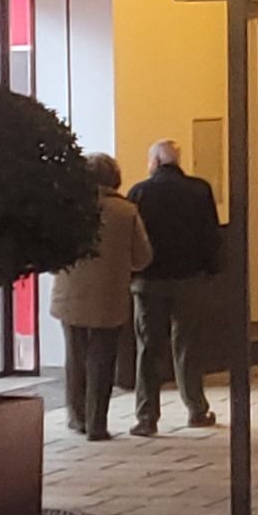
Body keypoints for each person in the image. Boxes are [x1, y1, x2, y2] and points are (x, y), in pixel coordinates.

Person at [52, 153, 152, 441]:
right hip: (110, 294)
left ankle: (77, 416)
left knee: (75, 356)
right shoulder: (126, 212)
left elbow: (53, 251)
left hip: (70, 294)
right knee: (102, 359)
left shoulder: (68, 209)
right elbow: (143, 257)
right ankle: (97, 423)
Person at [128, 139, 222, 436]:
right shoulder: (199, 190)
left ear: (155, 162)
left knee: (149, 348)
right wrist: (211, 271)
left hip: (149, 281)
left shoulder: (139, 192)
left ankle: (147, 417)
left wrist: (132, 273)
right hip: (190, 280)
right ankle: (196, 408)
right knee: (188, 346)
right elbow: (210, 234)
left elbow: (134, 240)